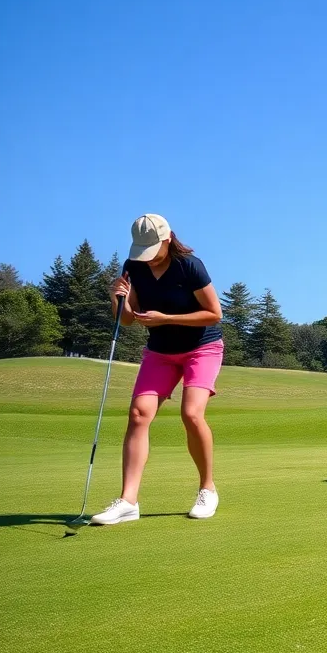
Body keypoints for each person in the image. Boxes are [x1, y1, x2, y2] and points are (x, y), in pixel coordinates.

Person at [91, 214, 225, 525]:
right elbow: (126, 319)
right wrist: (117, 298)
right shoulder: (134, 266)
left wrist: (166, 318)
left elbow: (213, 314)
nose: (147, 258)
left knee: (192, 413)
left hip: (202, 348)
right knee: (138, 413)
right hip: (161, 351)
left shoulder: (189, 266)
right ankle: (128, 501)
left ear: (167, 240)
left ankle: (208, 489)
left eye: (152, 249)